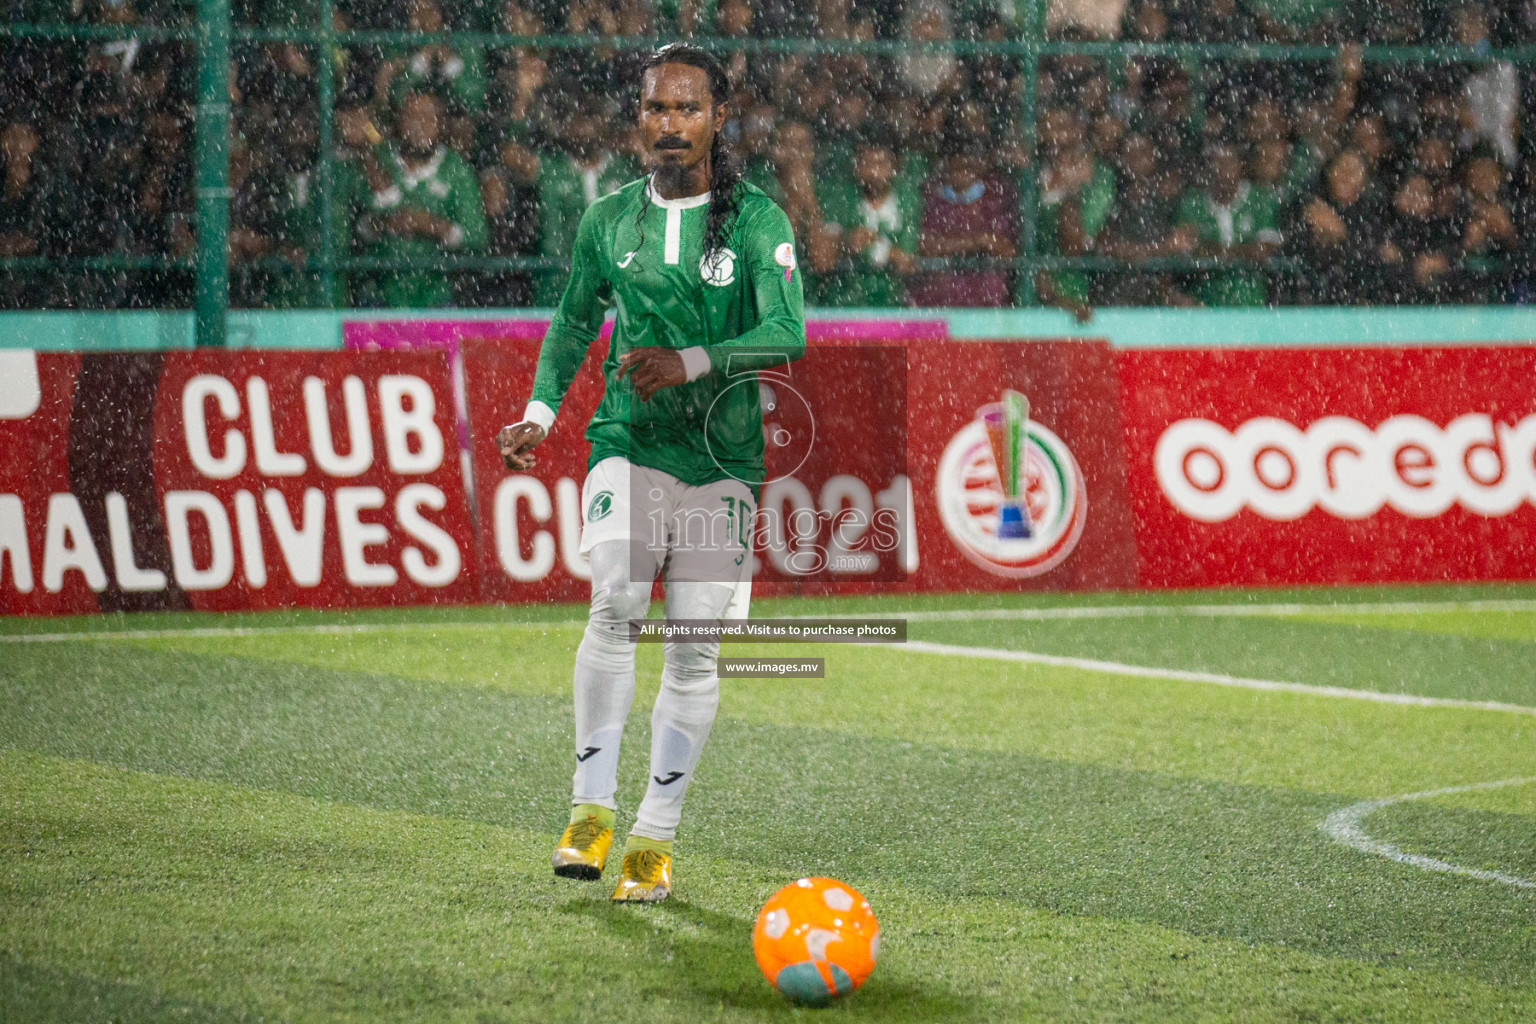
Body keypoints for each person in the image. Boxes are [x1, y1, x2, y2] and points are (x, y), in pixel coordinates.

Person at [494, 43, 804, 903]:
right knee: (618, 601)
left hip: (722, 461)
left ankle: (652, 842)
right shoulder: (608, 221)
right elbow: (570, 322)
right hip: (627, 441)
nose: (670, 124)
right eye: (656, 109)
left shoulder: (756, 223)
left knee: (696, 646)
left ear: (718, 120)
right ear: (638, 120)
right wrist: (541, 413)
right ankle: (590, 813)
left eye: (688, 109)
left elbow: (787, 335)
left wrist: (694, 359)